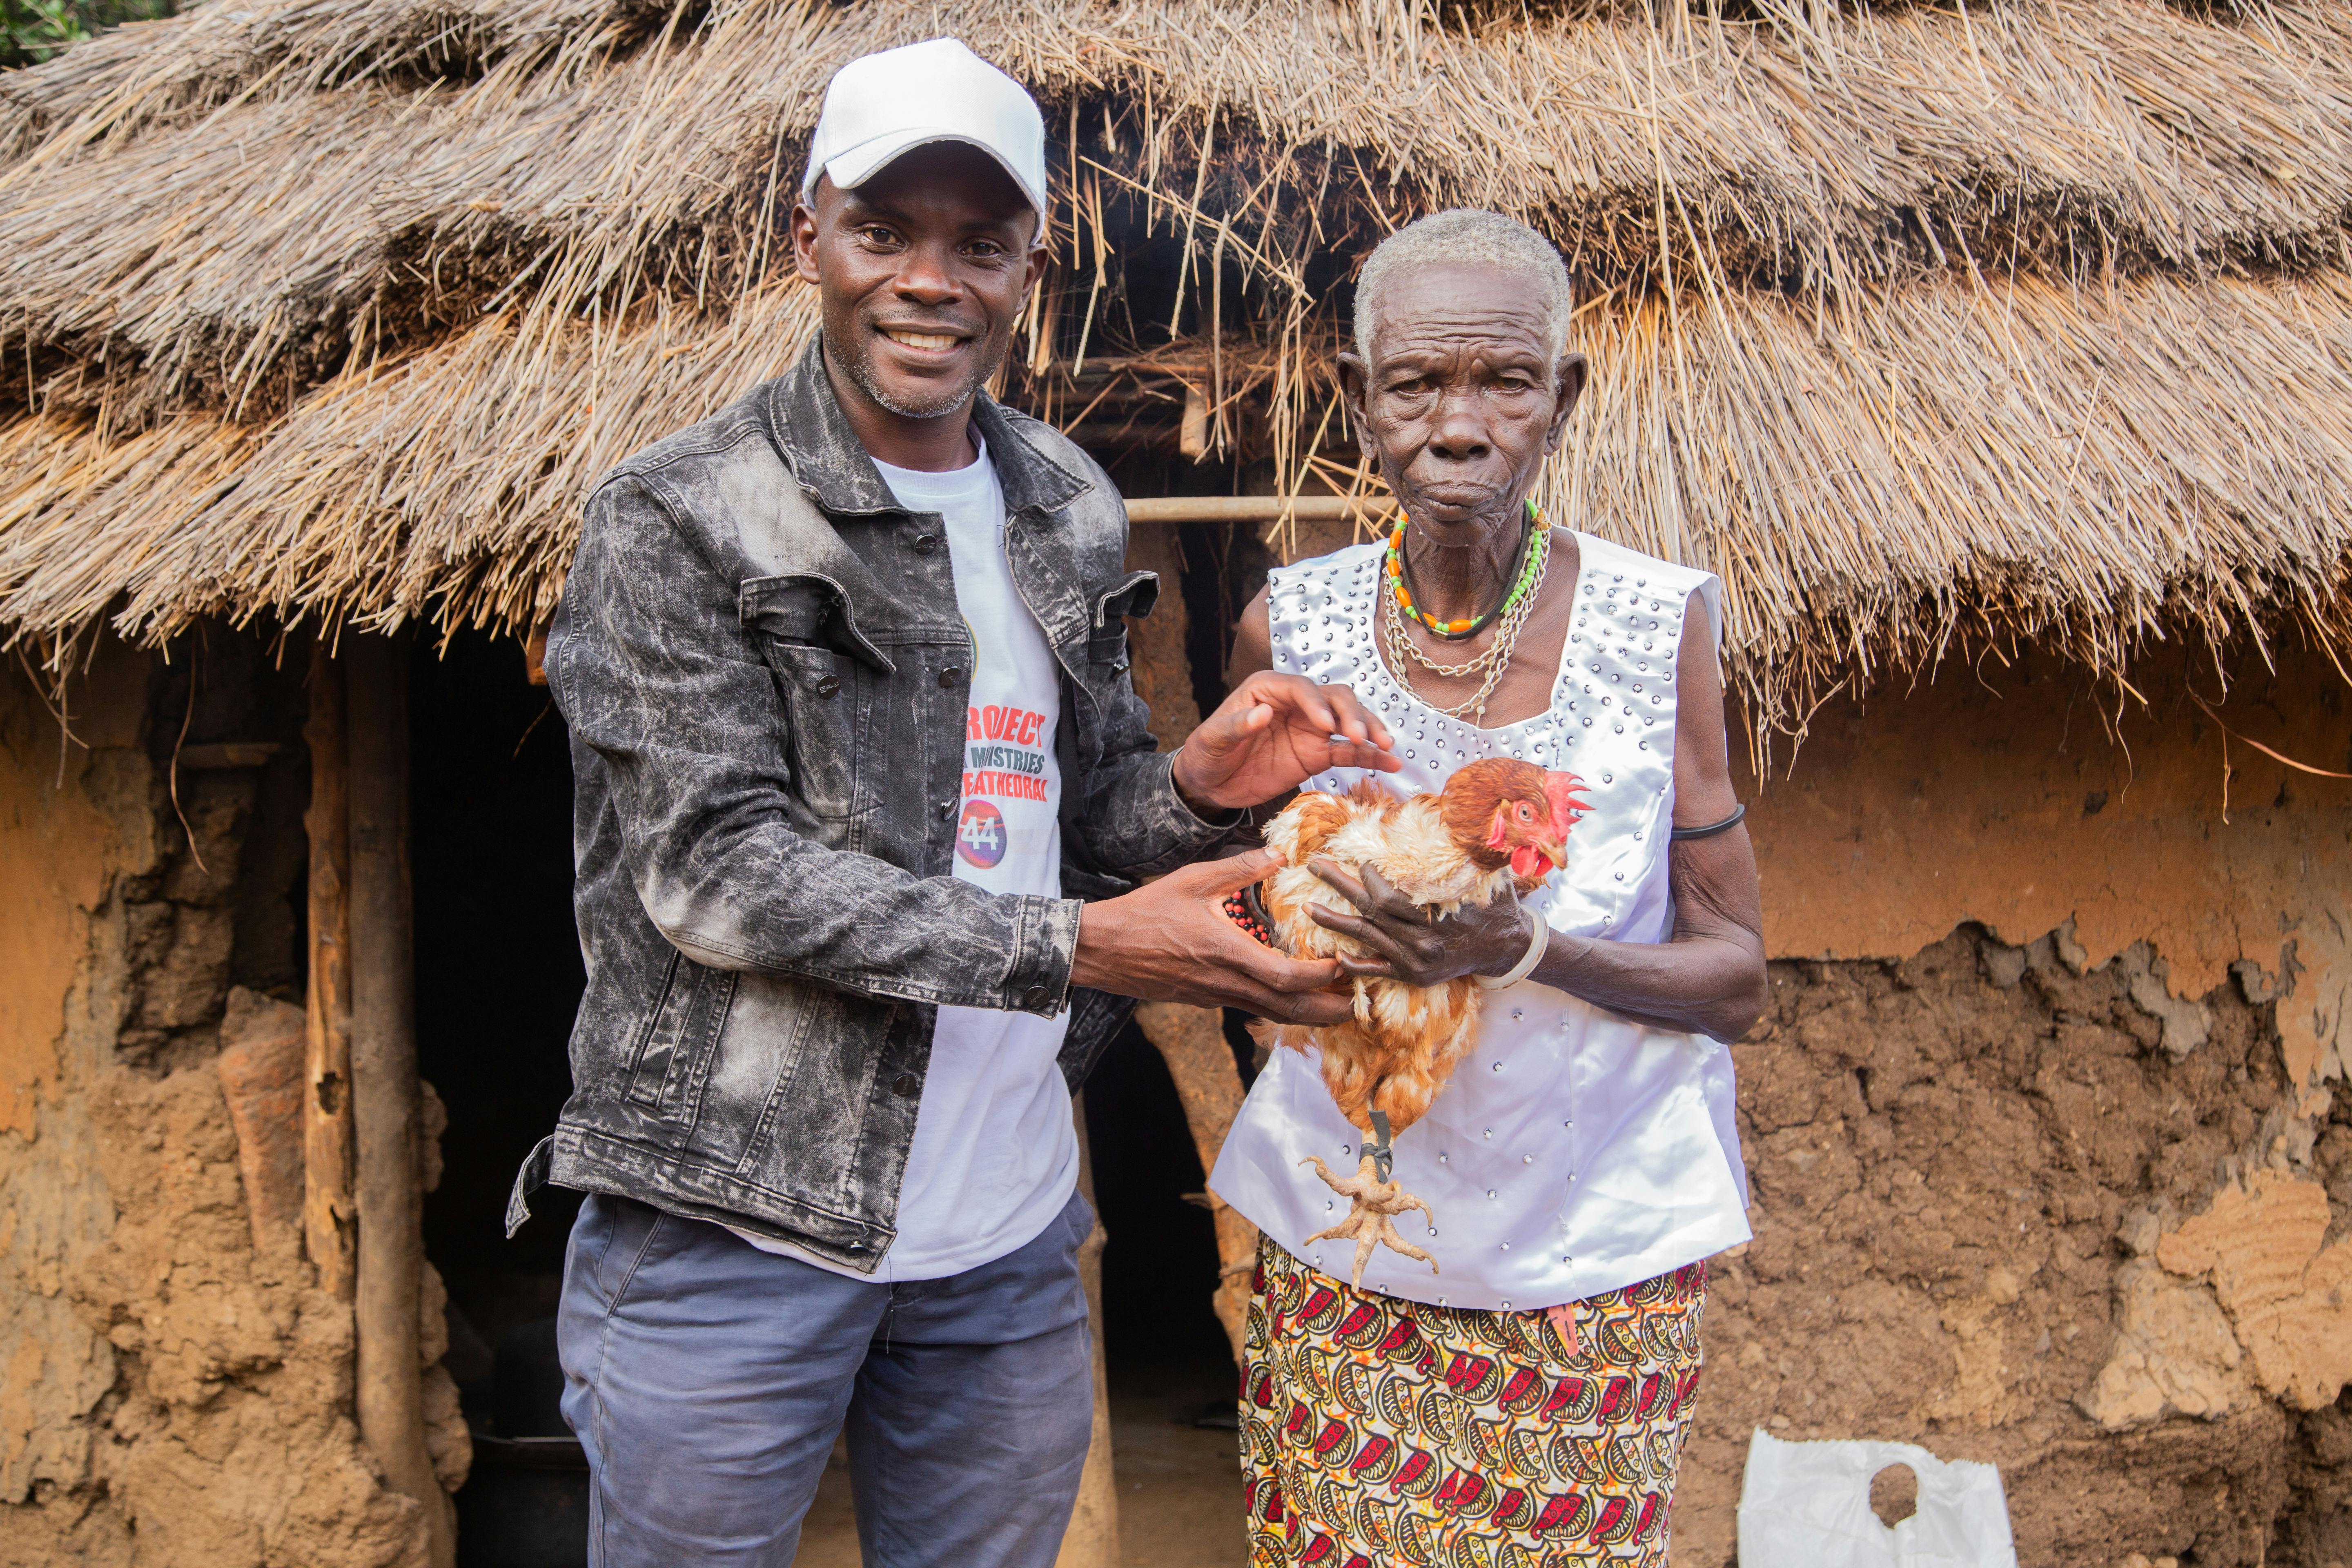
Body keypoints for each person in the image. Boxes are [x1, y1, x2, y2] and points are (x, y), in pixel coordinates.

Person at [512, 38, 1396, 1568]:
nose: (931, 279)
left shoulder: (1061, 498)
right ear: (810, 239)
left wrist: (1196, 788)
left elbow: (1074, 807)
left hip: (1002, 1237)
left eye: (978, 244)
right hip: (734, 1225)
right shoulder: (680, 516)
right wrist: (1091, 949)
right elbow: (717, 873)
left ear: (1028, 265)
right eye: (885, 232)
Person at [1208, 209, 1769, 1566]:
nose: (1460, 425)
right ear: (1360, 403)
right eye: (1416, 386)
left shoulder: (1660, 624)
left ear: (1560, 402)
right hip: (1355, 1237)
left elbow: (1737, 976)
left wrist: (1525, 953)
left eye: (1506, 383)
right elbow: (1231, 902)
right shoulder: (1290, 629)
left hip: (1598, 1256)